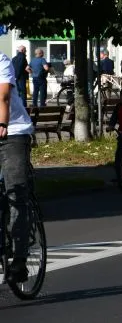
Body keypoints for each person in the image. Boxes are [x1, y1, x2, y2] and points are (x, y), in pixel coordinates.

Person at [0, 50, 35, 283]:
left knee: (16, 192)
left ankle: (20, 258)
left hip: (11, 131)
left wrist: (1, 123)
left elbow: (3, 96)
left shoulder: (1, 60)